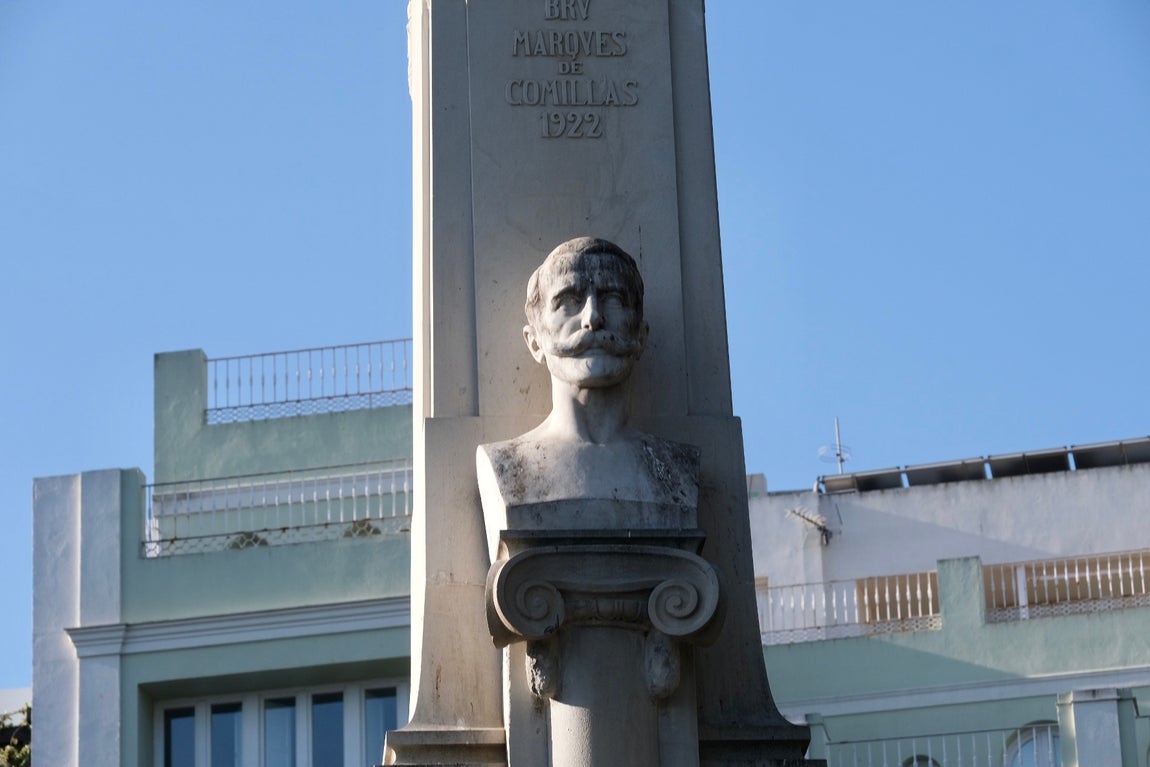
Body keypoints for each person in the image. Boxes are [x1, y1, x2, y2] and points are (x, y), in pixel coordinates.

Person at [477, 237, 699, 561]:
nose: (593, 318)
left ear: (641, 336)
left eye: (613, 299)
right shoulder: (507, 468)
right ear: (534, 342)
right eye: (568, 301)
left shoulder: (678, 473)